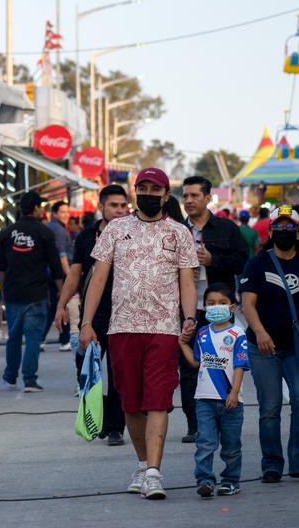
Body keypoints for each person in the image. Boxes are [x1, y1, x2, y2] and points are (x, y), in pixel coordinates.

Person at [80, 167, 198, 500]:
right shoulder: (116, 229)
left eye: (154, 188)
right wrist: (87, 323)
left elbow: (187, 281)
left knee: (158, 400)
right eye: (142, 187)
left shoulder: (179, 234)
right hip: (121, 328)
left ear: (165, 194)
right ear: (135, 191)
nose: (148, 193)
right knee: (131, 403)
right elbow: (98, 279)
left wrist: (189, 317)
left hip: (163, 329)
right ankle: (143, 463)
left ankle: (154, 473)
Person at [240, 205, 299, 483]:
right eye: (279, 226)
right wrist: (260, 332)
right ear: (271, 229)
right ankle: (272, 464)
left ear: (298, 231)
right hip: (263, 348)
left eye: (290, 227)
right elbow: (248, 304)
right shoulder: (258, 263)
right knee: (270, 409)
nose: (284, 231)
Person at [55, 184, 130, 446]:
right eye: (114, 205)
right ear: (101, 207)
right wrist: (61, 305)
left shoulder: (135, 234)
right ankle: (97, 419)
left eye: (123, 205)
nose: (120, 210)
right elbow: (75, 273)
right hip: (94, 315)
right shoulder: (87, 237)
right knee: (91, 372)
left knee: (118, 374)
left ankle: (115, 427)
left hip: (125, 314)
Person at [180, 175, 249, 443]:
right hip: (187, 309)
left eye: (195, 195)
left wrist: (214, 260)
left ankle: (225, 415)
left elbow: (243, 259)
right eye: (185, 195)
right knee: (189, 367)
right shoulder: (175, 230)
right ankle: (195, 424)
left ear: (208, 198)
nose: (189, 200)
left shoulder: (226, 229)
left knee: (222, 363)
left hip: (217, 309)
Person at [179, 283, 248, 498]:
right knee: (205, 443)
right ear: (204, 307)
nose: (215, 307)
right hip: (204, 399)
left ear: (233, 307)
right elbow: (196, 363)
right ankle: (205, 480)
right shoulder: (202, 334)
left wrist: (234, 392)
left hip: (230, 400)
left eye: (222, 303)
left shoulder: (238, 333)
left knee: (231, 445)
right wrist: (182, 344)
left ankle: (230, 480)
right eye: (210, 304)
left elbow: (239, 365)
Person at [0, 191, 64, 392]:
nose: (42, 210)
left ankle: (10, 377)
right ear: (35, 208)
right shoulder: (44, 233)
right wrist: (62, 294)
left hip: (13, 294)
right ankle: (29, 380)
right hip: (36, 294)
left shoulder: (7, 233)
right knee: (33, 337)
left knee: (14, 337)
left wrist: (3, 293)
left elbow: (1, 267)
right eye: (40, 206)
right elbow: (55, 266)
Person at [44, 201, 74, 352]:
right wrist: (70, 276)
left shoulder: (51, 227)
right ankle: (64, 340)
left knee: (54, 307)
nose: (66, 215)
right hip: (59, 274)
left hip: (49, 273)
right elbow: (62, 256)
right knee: (63, 305)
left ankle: (42, 339)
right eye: (62, 212)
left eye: (67, 212)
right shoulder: (59, 230)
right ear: (54, 213)